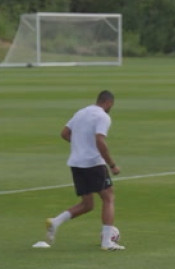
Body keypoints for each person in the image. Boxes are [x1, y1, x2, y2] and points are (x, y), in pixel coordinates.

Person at [45, 90, 125, 251]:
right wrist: (112, 165)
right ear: (109, 103)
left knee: (87, 204)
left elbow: (64, 133)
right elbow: (100, 141)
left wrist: (80, 145)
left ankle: (55, 222)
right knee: (109, 197)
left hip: (76, 163)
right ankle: (107, 242)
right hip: (93, 163)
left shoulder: (81, 112)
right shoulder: (103, 116)